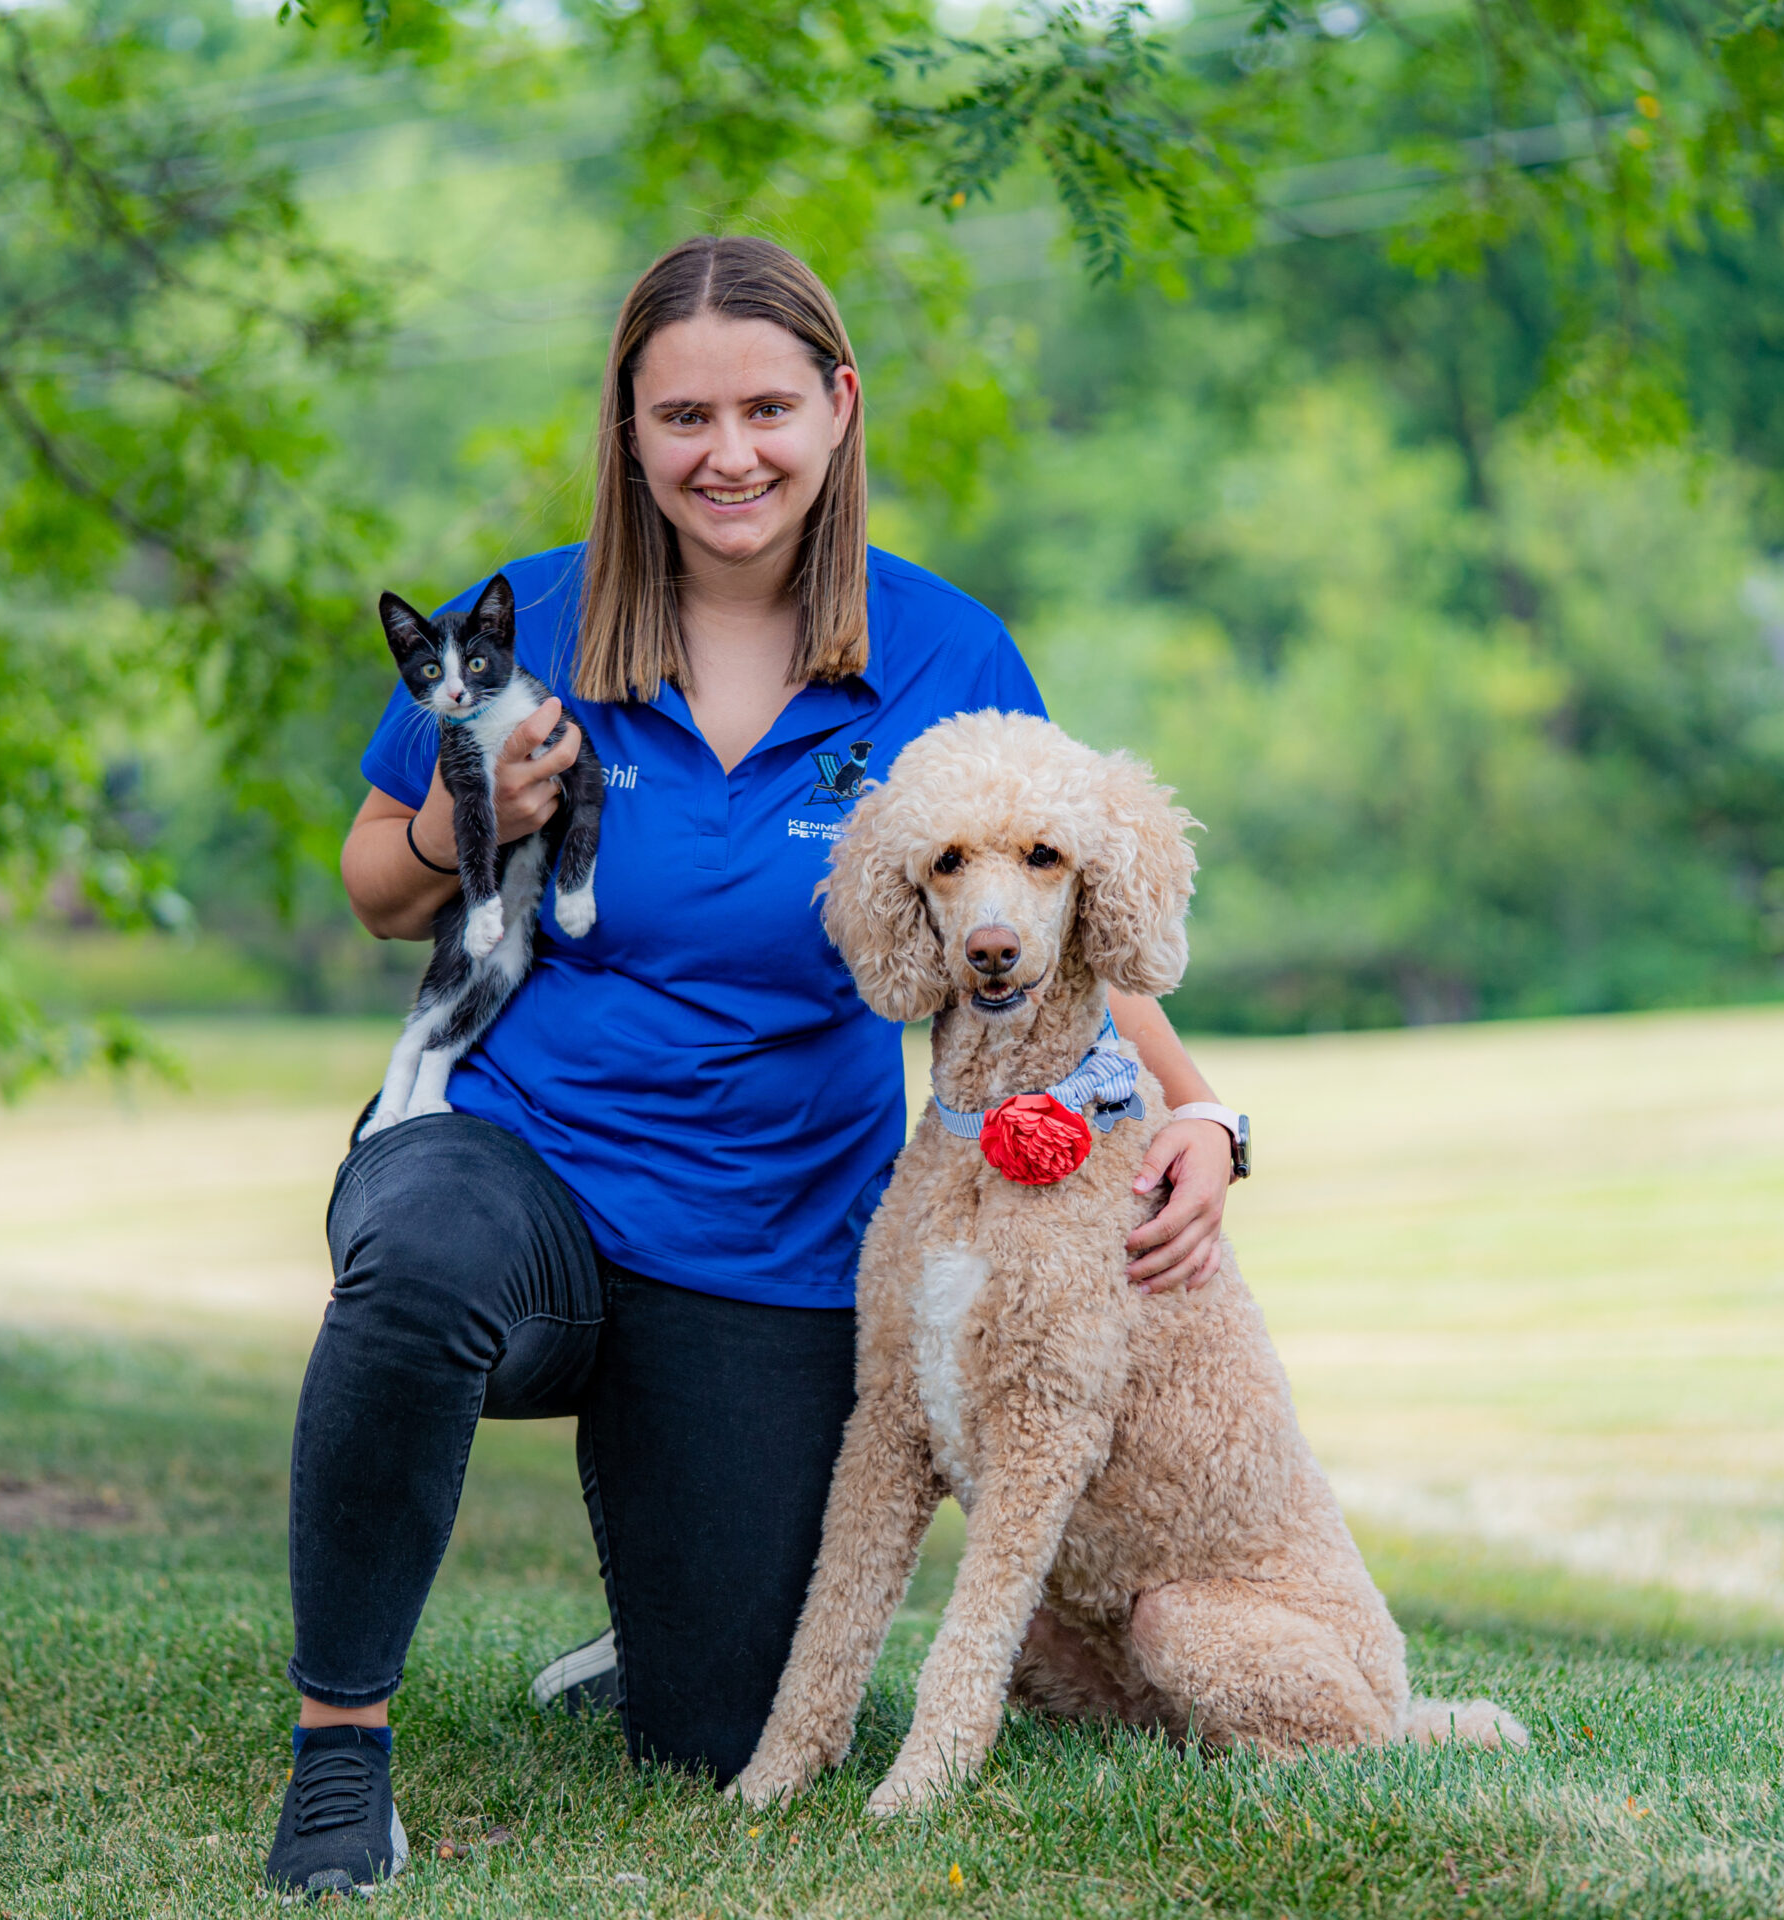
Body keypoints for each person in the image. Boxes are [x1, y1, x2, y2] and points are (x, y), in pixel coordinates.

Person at [266, 234, 1242, 1899]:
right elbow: (376, 885)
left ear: (838, 406)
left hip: (778, 1235)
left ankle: (662, 1626)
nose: (729, 454)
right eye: (685, 416)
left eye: (768, 409)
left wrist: (1204, 1110)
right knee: (415, 1261)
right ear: (630, 429)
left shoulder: (945, 653)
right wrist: (461, 818)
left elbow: (1055, 913)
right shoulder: (533, 616)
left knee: (726, 1728)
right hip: (519, 1164)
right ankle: (340, 1751)